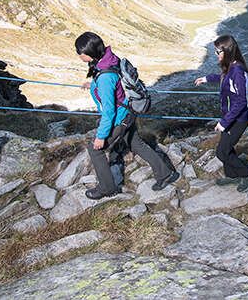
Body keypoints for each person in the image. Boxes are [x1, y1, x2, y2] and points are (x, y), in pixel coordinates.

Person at [76, 32, 178, 199]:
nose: (78, 54)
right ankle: (166, 173)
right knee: (135, 143)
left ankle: (107, 188)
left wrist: (101, 136)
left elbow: (109, 111)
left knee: (95, 150)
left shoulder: (105, 77)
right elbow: (114, 84)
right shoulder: (108, 59)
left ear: (89, 54)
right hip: (128, 112)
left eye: (79, 52)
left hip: (119, 118)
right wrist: (93, 85)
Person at [194, 34, 248, 192]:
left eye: (218, 52)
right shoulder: (231, 66)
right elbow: (224, 78)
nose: (216, 55)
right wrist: (207, 79)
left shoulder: (237, 70)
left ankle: (247, 174)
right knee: (227, 148)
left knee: (222, 152)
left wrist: (224, 122)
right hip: (230, 117)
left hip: (238, 119)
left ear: (228, 51)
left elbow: (241, 101)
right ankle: (232, 176)